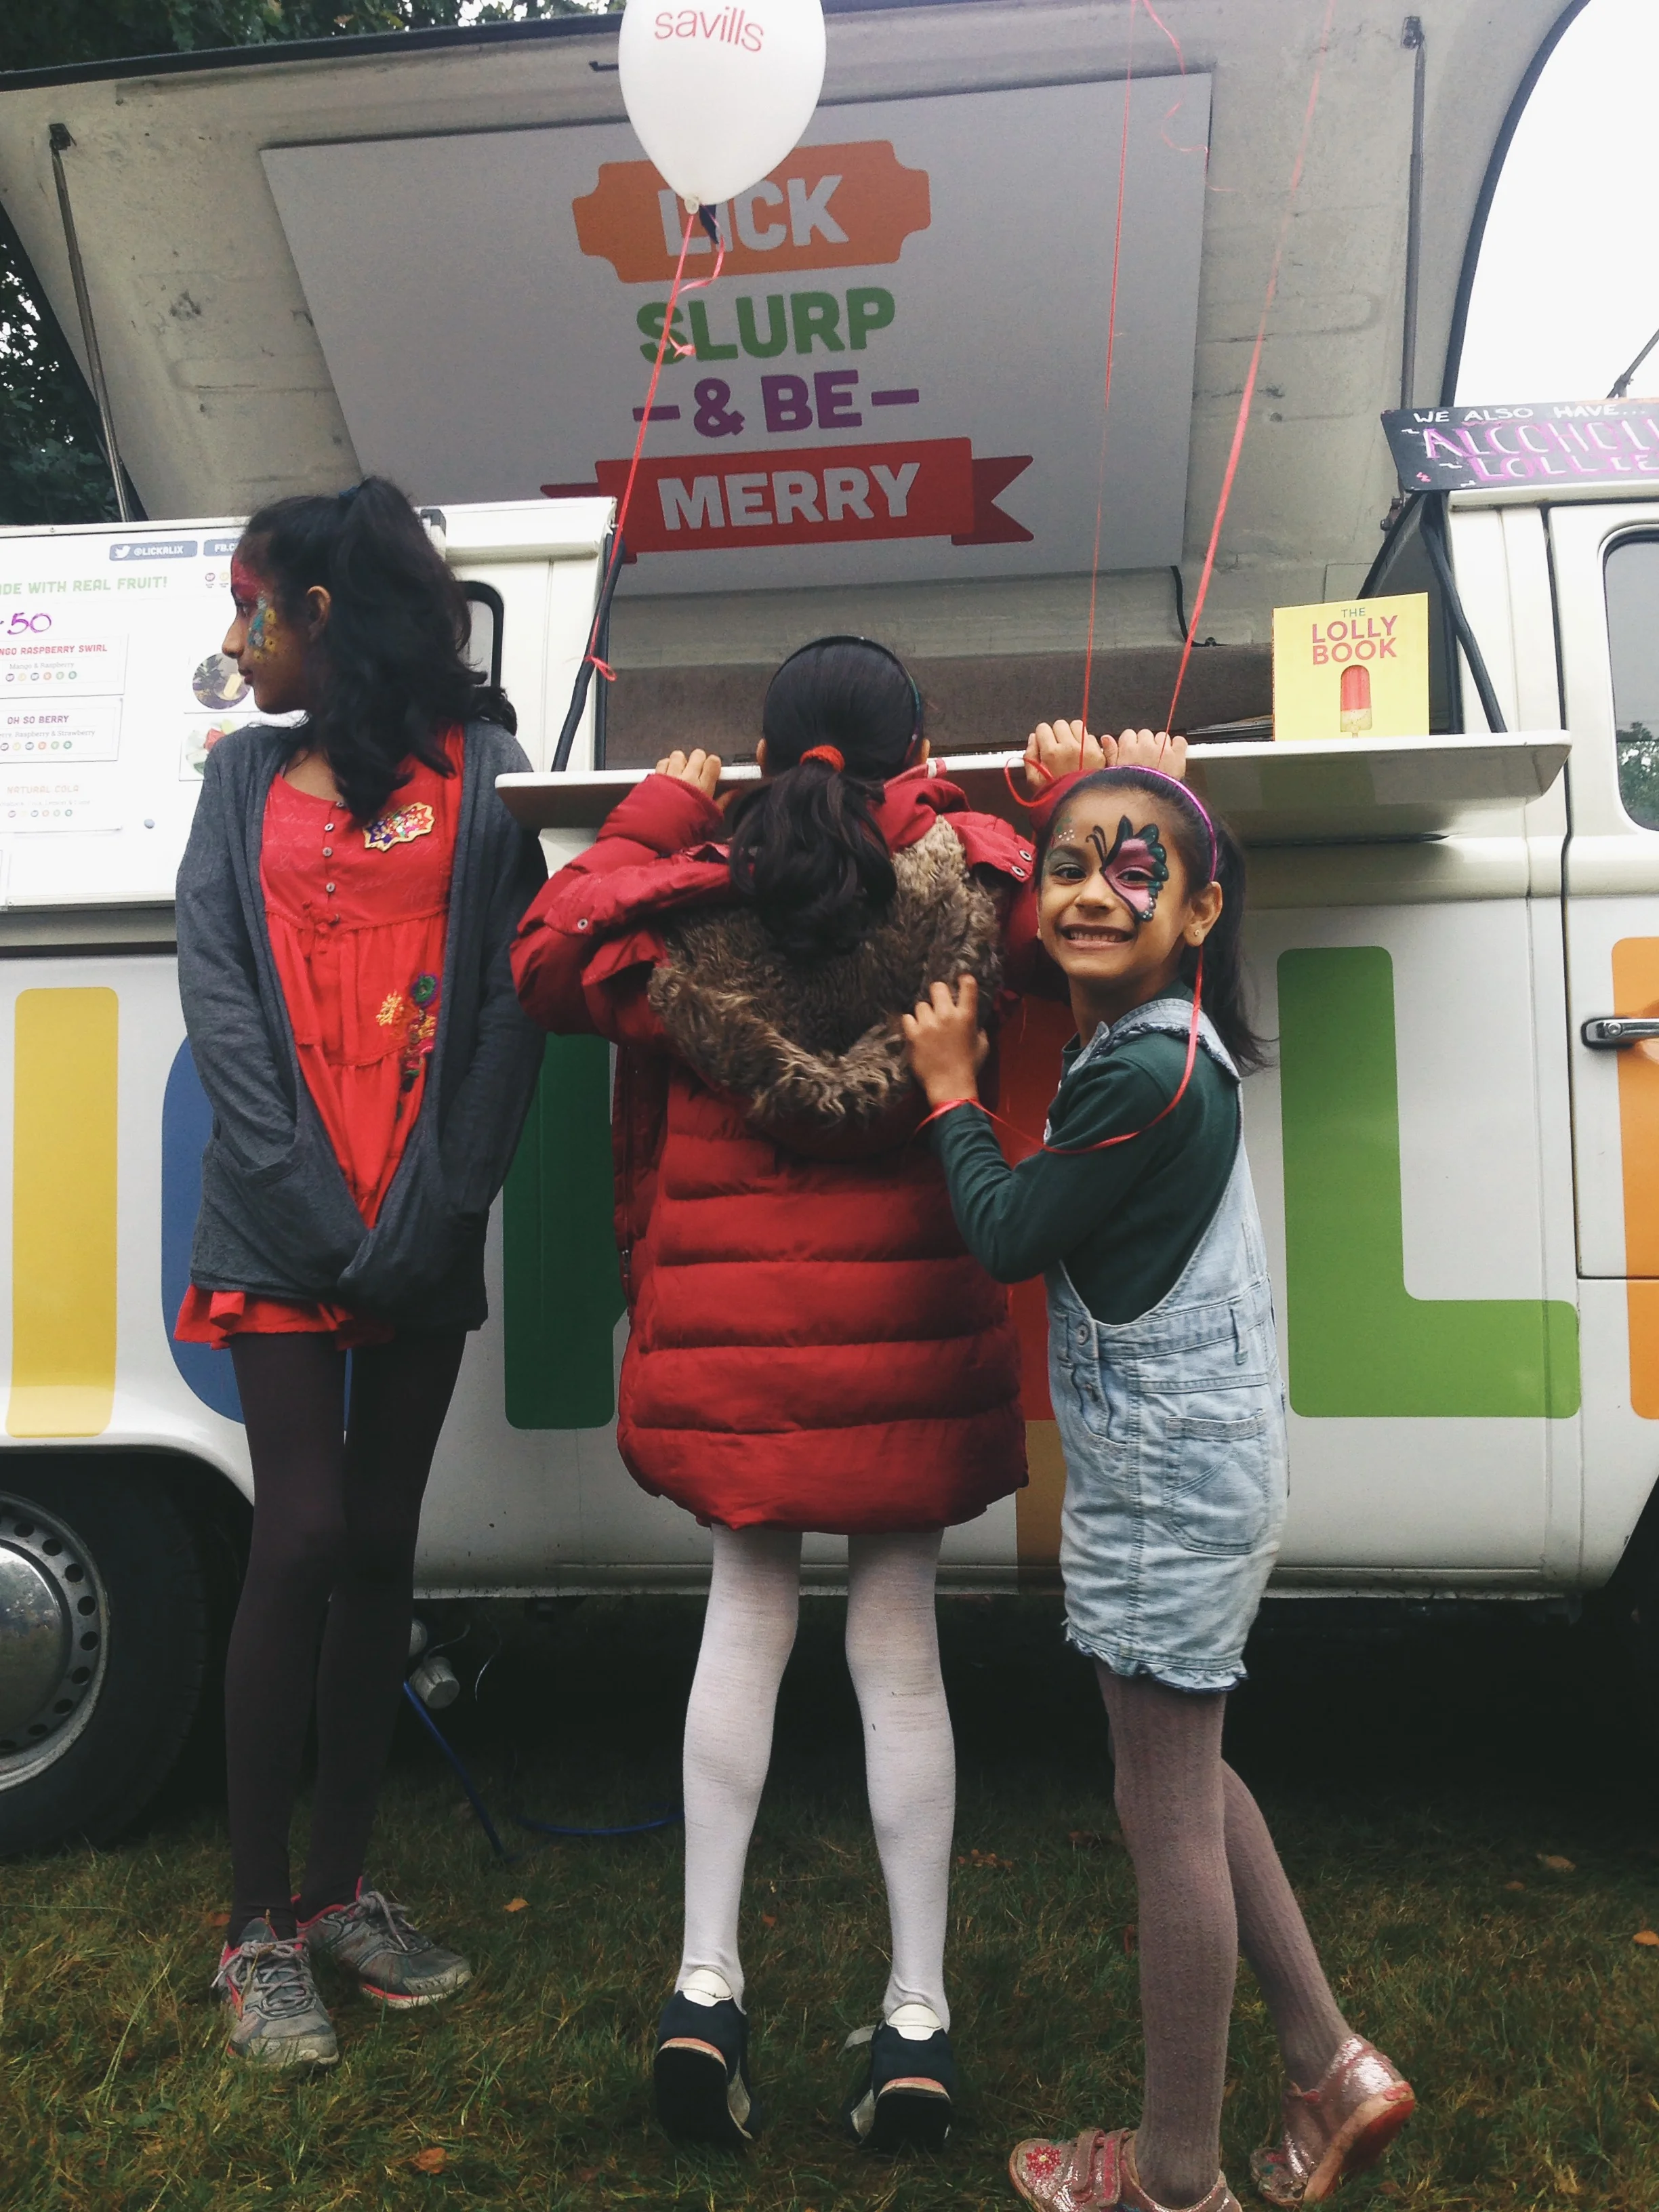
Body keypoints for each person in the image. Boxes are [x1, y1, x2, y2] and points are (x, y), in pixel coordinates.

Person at [512, 646, 1150, 2154]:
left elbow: (544, 959)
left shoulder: (686, 907)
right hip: (908, 1335)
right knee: (898, 1648)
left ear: (758, 751)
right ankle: (915, 2016)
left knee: (745, 1617)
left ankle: (703, 1985)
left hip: (732, 1347)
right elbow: (1128, 922)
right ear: (920, 748)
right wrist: (1073, 794)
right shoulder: (986, 893)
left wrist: (652, 827)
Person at [901, 762, 1416, 2212]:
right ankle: (1332, 2065)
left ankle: (1174, 2177)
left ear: (1200, 911)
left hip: (1166, 1492)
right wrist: (1102, 789)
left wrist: (950, 1092)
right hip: (1206, 1469)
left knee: (1164, 1814)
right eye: (1065, 863)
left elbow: (1005, 1232)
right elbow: (1125, 891)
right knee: (1187, 1777)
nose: (1085, 890)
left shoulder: (1139, 1066)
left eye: (1133, 872)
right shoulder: (1166, 1030)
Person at [174, 478, 547, 2068]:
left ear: (321, 613)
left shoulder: (486, 776)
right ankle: (252, 1929)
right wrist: (314, 1202)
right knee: (304, 1534)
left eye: (253, 606)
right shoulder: (241, 776)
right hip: (277, 1221)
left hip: (428, 1219)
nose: (236, 639)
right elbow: (219, 990)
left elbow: (516, 1001)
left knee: (384, 1541)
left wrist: (444, 1197)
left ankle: (337, 1893)